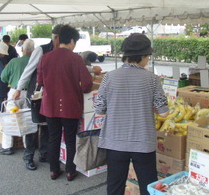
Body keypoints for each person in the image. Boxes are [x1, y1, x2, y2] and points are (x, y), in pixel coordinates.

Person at [94, 33, 169, 195]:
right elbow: (164, 113)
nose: (148, 59)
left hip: (115, 142)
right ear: (142, 56)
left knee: (115, 187)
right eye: (148, 56)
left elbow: (99, 109)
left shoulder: (109, 77)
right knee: (148, 187)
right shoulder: (152, 79)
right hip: (143, 141)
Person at [37, 25, 93, 181]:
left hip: (50, 106)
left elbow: (40, 81)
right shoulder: (76, 59)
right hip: (70, 106)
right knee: (70, 139)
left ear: (59, 39)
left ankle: (54, 170)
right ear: (72, 41)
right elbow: (87, 85)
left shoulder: (45, 57)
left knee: (53, 138)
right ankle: (70, 171)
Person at [12, 24, 63, 171]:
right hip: (36, 94)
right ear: (56, 37)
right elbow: (29, 70)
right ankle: (28, 156)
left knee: (48, 125)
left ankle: (45, 154)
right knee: (32, 126)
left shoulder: (62, 51)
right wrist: (18, 88)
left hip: (52, 94)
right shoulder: (41, 50)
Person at [0, 39, 35, 155]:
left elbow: (3, 77)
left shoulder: (14, 61)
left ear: (22, 49)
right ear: (33, 50)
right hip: (30, 94)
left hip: (15, 92)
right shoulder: (35, 62)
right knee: (27, 120)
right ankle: (27, 146)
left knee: (10, 119)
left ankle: (7, 146)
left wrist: (11, 80)